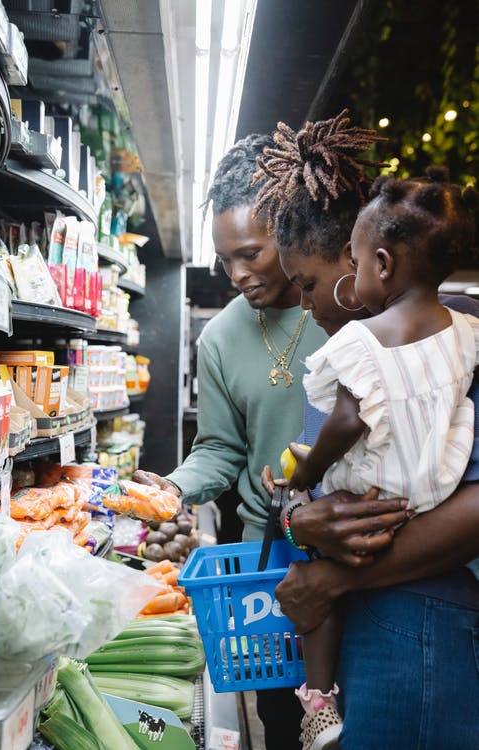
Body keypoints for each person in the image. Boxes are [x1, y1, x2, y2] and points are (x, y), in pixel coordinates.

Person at [133, 133, 408, 750]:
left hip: (373, 545)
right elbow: (222, 449)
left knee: (362, 711)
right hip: (271, 562)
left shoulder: (352, 302)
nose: (236, 274)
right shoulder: (222, 338)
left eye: (251, 253)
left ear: (286, 227)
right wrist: (172, 487)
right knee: (285, 719)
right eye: (224, 259)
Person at [254, 110, 479, 750]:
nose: (306, 304)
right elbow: (318, 483)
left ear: (364, 265)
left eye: (312, 283)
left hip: (421, 622)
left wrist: (333, 577)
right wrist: (300, 516)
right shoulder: (357, 355)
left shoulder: (449, 339)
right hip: (367, 621)